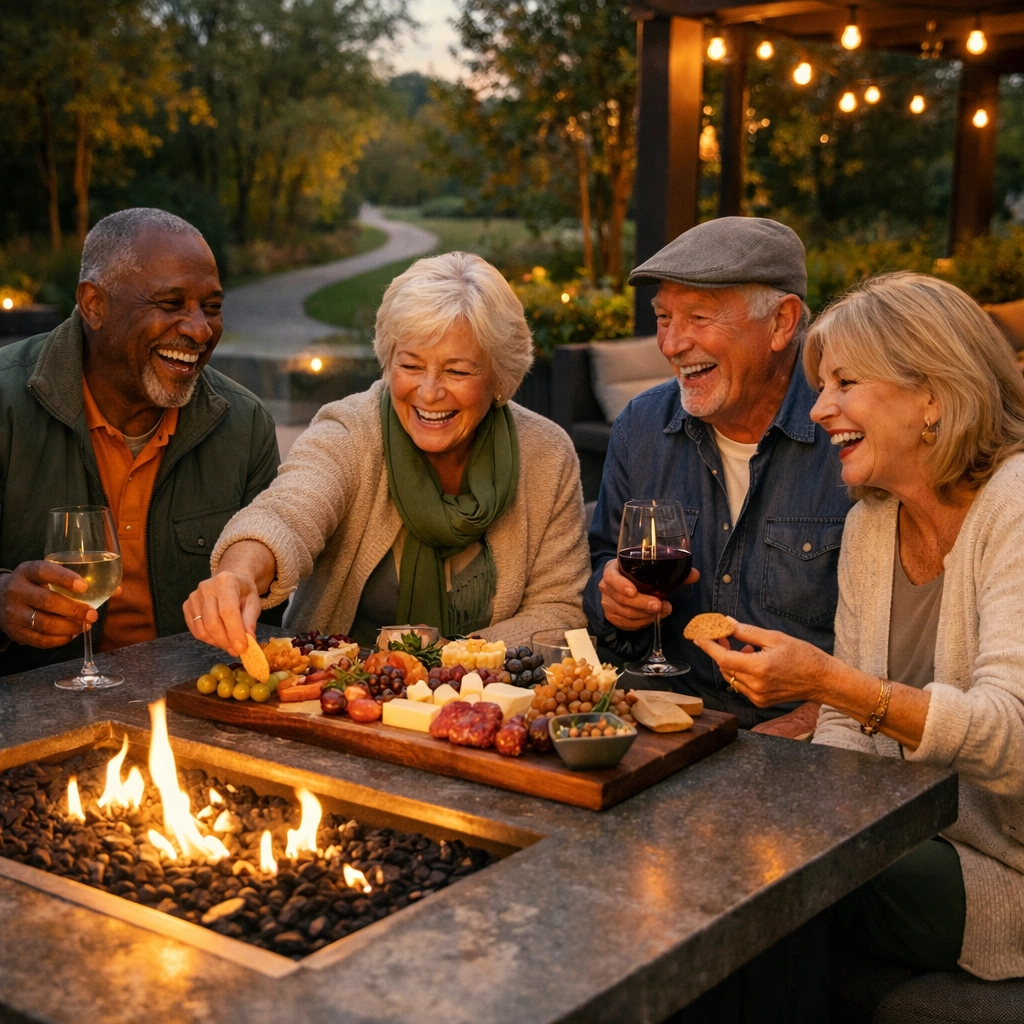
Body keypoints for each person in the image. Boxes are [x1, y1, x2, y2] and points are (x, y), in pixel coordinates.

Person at [695, 272, 1024, 980]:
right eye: (821, 386)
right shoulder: (872, 526)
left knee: (757, 871)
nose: (818, 409)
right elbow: (846, 736)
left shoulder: (1016, 507)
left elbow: (1014, 738)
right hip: (902, 829)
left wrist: (829, 683)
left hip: (1000, 866)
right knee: (712, 829)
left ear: (933, 395)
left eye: (845, 383)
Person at [185, 251, 589, 656]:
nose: (429, 392)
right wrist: (239, 574)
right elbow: (287, 512)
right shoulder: (350, 432)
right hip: (339, 686)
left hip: (488, 691)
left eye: (457, 371)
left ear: (500, 377)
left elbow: (560, 612)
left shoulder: (546, 455)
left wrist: (451, 657)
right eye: (411, 366)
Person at [584, 218, 850, 729]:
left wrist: (810, 723)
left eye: (699, 317)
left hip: (810, 740)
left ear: (782, 322)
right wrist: (612, 599)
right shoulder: (641, 426)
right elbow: (602, 566)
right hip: (665, 724)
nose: (671, 344)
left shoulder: (848, 434)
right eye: (663, 317)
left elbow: (894, 651)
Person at [0, 208, 279, 677]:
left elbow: (268, 602)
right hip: (29, 705)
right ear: (94, 305)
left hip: (192, 699)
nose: (199, 330)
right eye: (171, 304)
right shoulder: (6, 403)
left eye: (212, 307)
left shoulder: (245, 425)